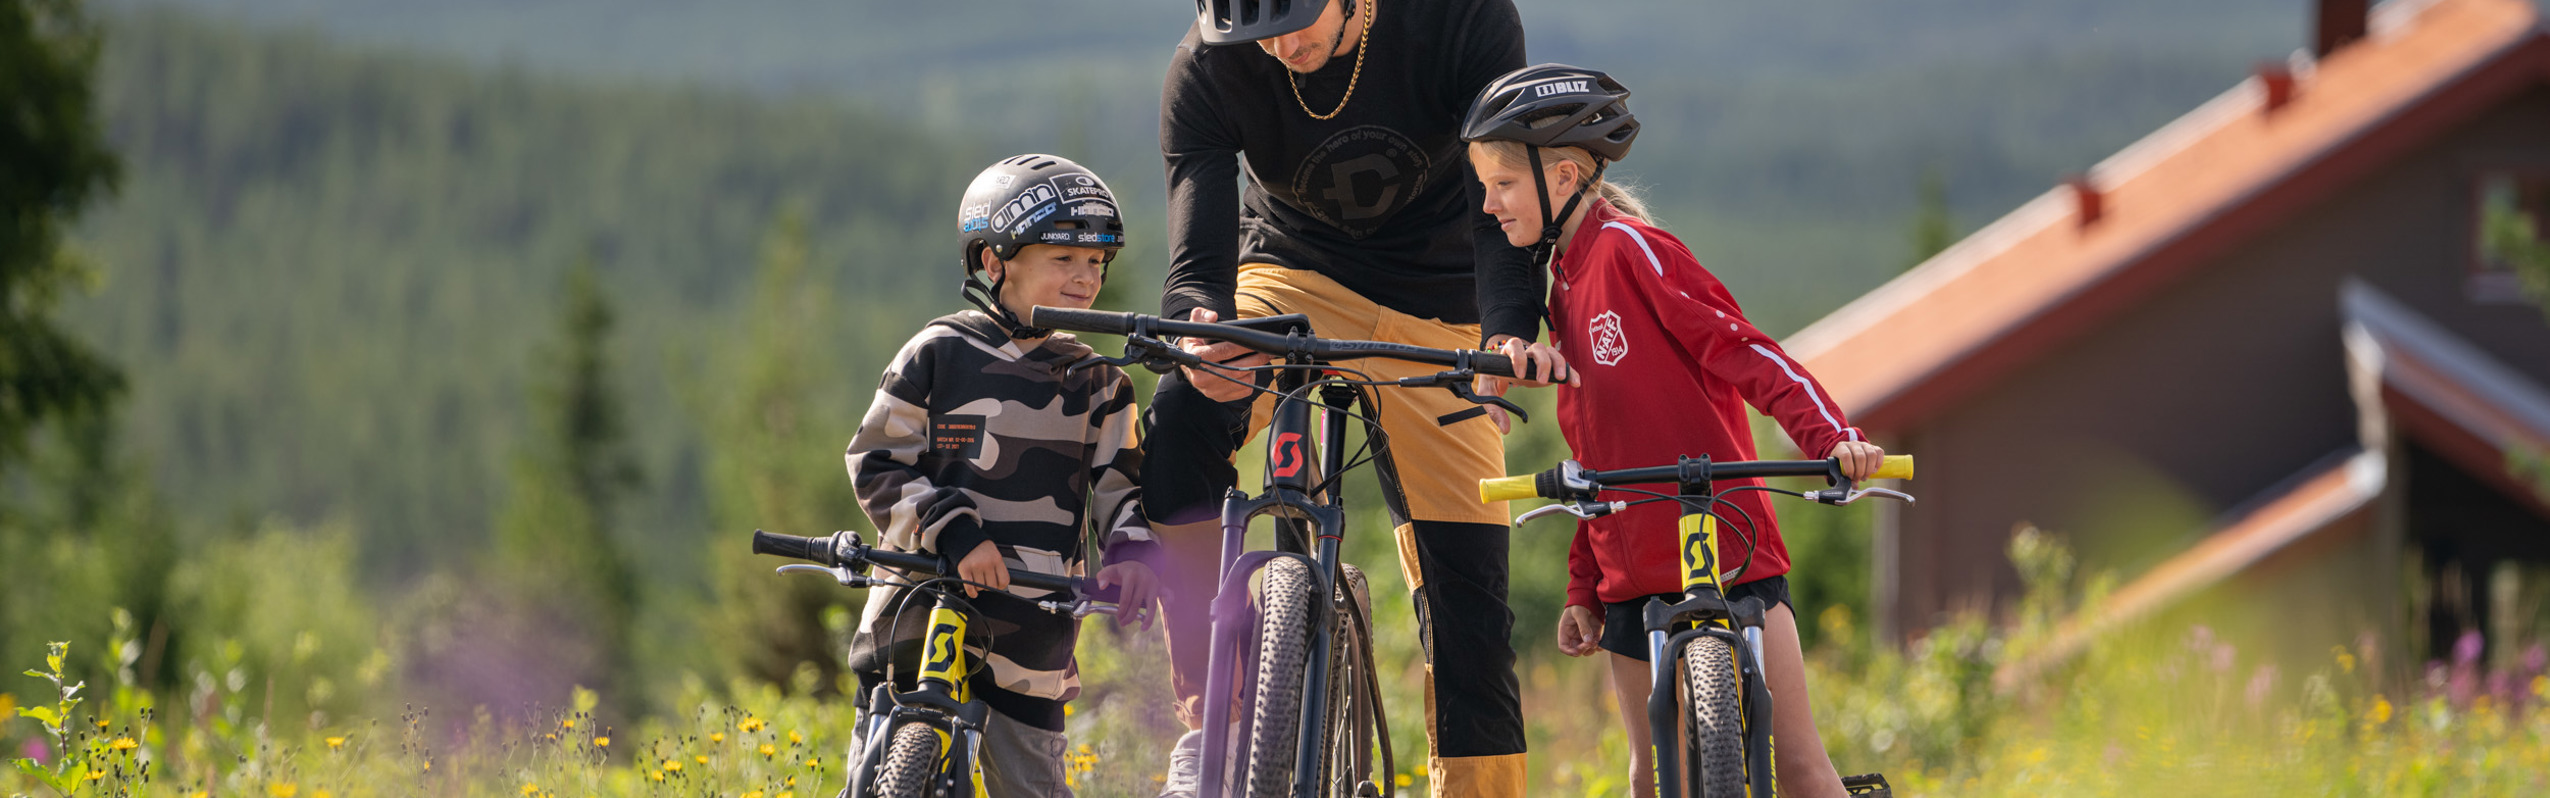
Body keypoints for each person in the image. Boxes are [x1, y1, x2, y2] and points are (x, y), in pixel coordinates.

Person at [1146, 0, 1569, 795]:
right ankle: (1215, 725)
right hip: (1292, 276)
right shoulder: (1208, 63)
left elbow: (1507, 192)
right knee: (1177, 422)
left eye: (1300, 21)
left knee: (1470, 598)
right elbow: (1196, 266)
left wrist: (1510, 327)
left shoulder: (1463, 18)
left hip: (1444, 303)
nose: (1283, 45)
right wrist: (1198, 336)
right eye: (1259, 34)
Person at [1462, 64, 1886, 798]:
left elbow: (1744, 349)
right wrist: (1584, 588)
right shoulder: (1560, 285)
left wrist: (1829, 438)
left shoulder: (1631, 252)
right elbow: (1597, 453)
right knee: (1650, 778)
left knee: (1805, 770)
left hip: (1735, 552)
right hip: (1630, 587)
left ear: (1563, 177)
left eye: (1502, 183)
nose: (1488, 204)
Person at [844, 154, 1165, 797]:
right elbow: (877, 459)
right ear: (995, 263)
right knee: (874, 773)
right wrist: (956, 536)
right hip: (920, 606)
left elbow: (1121, 489)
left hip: (1031, 625)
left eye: (1097, 263)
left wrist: (1131, 555)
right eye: (1063, 259)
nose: (1085, 279)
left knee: (1030, 782)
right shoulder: (939, 353)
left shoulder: (1101, 384)